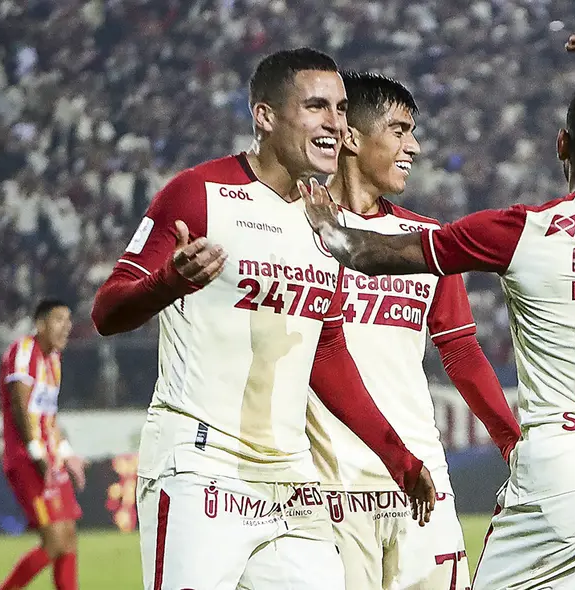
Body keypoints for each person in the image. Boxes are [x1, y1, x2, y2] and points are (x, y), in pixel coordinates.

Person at [301, 18, 575, 589]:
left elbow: (371, 252)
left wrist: (329, 228)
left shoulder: (525, 231)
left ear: (562, 146)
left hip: (562, 482)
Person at [91, 48, 435, 590]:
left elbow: (326, 351)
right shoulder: (199, 193)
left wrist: (398, 455)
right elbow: (107, 311)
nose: (335, 123)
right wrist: (169, 283)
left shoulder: (326, 223)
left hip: (292, 479)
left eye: (341, 109)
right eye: (317, 106)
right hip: (203, 466)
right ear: (265, 116)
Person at [305, 71, 521, 590]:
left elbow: (461, 352)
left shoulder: (423, 241)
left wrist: (511, 442)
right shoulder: (295, 227)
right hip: (325, 483)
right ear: (351, 137)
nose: (414, 146)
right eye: (400, 130)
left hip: (423, 481)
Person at [0, 299, 85, 590]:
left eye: (69, 320)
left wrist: (67, 454)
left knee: (69, 538)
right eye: (59, 319)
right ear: (40, 324)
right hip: (27, 458)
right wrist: (36, 451)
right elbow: (20, 407)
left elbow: (49, 417)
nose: (67, 326)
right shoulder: (24, 351)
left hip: (50, 458)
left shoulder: (54, 360)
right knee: (54, 541)